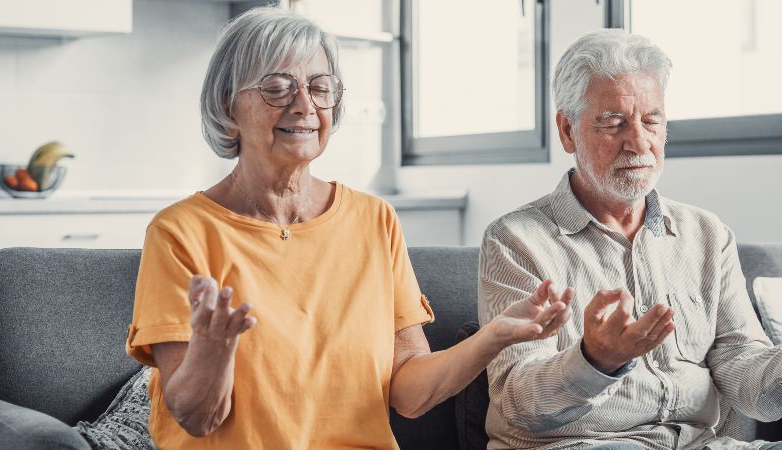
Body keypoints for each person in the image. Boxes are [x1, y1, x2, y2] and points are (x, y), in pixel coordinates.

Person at [126, 8, 570, 449]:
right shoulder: (179, 232)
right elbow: (197, 419)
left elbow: (409, 394)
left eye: (320, 88)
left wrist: (495, 336)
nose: (304, 106)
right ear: (228, 106)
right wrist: (213, 349)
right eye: (277, 88)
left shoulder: (373, 220)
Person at [478, 29, 782, 450]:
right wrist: (594, 361)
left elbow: (751, 387)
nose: (639, 142)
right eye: (612, 123)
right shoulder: (516, 241)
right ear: (567, 131)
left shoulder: (707, 234)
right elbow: (519, 403)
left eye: (651, 120)